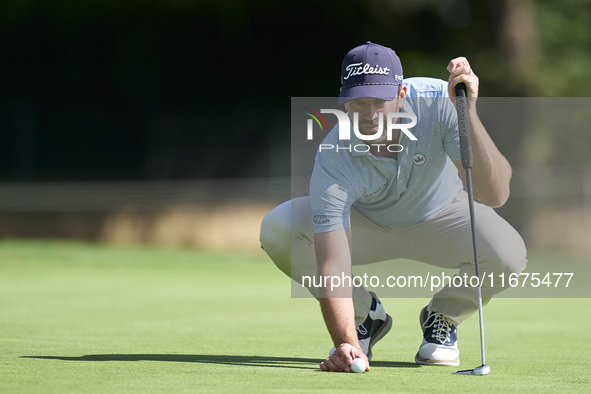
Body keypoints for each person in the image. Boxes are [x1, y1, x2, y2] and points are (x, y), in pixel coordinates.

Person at [260, 41, 527, 372]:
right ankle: (364, 319)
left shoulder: (439, 101)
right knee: (277, 227)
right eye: (358, 102)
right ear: (344, 101)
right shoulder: (334, 153)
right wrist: (346, 343)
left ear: (401, 93)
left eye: (380, 102)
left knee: (509, 254)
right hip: (366, 223)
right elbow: (332, 264)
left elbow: (494, 194)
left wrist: (467, 113)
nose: (370, 115)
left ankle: (442, 315)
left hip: (441, 214)